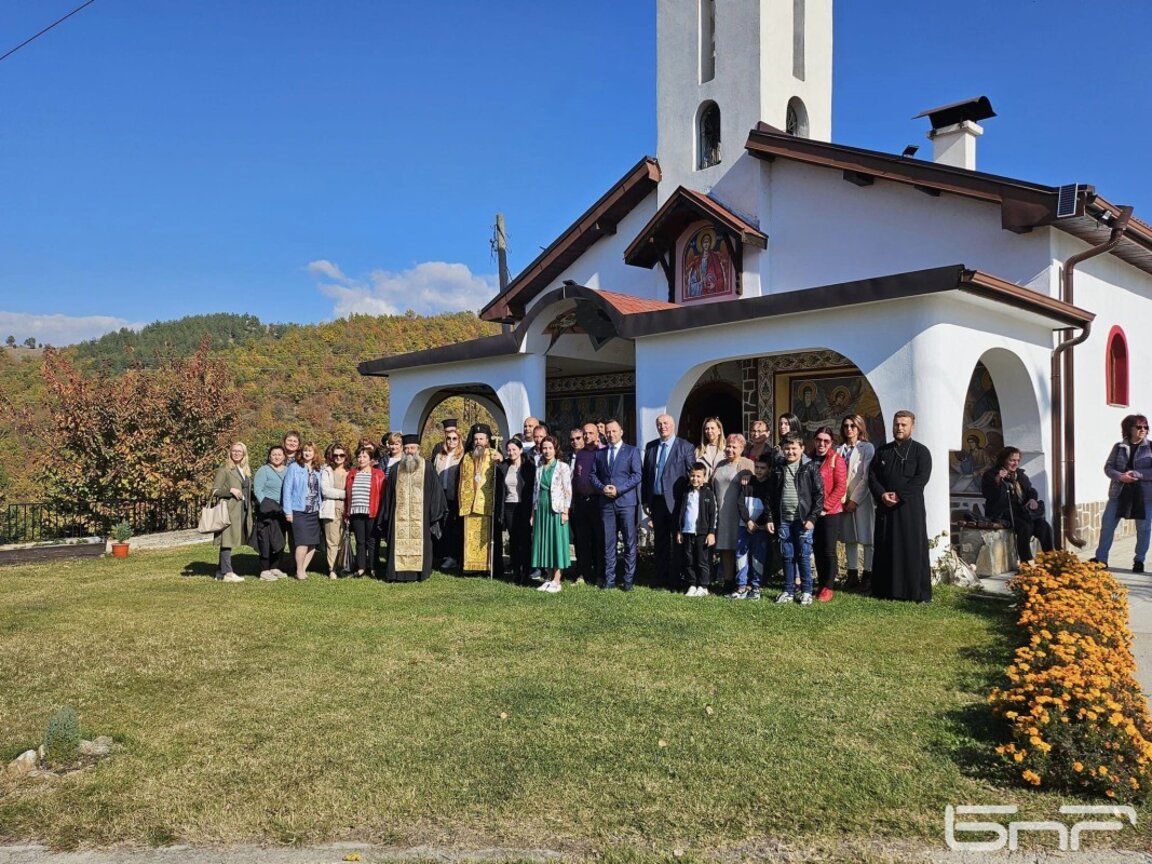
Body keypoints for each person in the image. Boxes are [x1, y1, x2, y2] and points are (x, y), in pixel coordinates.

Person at [869, 410, 932, 603]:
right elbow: (872, 477)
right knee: (885, 546)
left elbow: (921, 478)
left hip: (909, 510)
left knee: (911, 548)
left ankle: (914, 592)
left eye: (904, 424)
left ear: (912, 426)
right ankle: (884, 590)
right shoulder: (882, 451)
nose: (899, 428)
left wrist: (899, 495)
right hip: (886, 508)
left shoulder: (921, 452)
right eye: (897, 424)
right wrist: (882, 494)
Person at [379, 434, 448, 582]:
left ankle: (419, 573)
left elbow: (436, 492)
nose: (409, 451)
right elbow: (389, 495)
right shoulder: (396, 468)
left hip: (421, 518)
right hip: (399, 518)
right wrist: (386, 515)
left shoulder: (427, 467)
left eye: (412, 448)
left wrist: (433, 514)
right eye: (406, 448)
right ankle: (396, 574)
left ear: (418, 449)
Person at [642, 413, 697, 589]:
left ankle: (676, 581)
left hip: (677, 502)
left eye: (665, 423)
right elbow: (646, 476)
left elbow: (691, 474)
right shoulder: (651, 447)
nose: (662, 427)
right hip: (657, 502)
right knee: (660, 542)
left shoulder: (685, 447)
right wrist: (645, 500)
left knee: (678, 542)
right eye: (659, 424)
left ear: (673, 425)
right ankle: (660, 579)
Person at [1091, 413, 1152, 571]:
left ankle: (1139, 560)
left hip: (1144, 495)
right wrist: (1120, 476)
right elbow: (1108, 467)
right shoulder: (1119, 447)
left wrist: (1138, 474)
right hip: (1118, 493)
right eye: (1139, 427)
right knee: (1107, 525)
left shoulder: (1150, 447)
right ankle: (1101, 559)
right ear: (1129, 428)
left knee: (1144, 528)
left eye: (1145, 427)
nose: (1143, 430)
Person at [769, 432, 824, 605]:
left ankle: (806, 591)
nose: (790, 452)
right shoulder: (778, 468)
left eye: (794, 448)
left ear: (802, 448)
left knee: (803, 555)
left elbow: (819, 494)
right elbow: (770, 496)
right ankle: (788, 590)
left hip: (803, 519)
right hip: (784, 519)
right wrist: (770, 518)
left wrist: (812, 518)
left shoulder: (810, 467)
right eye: (787, 448)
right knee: (787, 555)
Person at [590, 419, 642, 591]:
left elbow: (637, 475)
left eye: (614, 431)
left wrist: (619, 489)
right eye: (608, 432)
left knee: (629, 542)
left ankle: (628, 580)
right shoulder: (600, 453)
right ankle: (610, 579)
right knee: (608, 542)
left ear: (621, 432)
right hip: (606, 504)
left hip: (626, 503)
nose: (611, 434)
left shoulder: (632, 451)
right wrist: (602, 488)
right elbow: (593, 475)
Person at [981, 447, 1054, 567]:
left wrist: (1032, 499)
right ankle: (1026, 562)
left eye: (1017, 460)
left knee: (1043, 525)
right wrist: (998, 480)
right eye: (1012, 460)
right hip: (1002, 512)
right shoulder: (991, 475)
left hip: (1021, 511)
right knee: (1025, 527)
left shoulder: (1019, 475)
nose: (1015, 463)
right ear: (1003, 460)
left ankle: (1050, 559)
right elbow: (990, 495)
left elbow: (1030, 490)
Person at [711, 433, 755, 593]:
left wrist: (749, 477)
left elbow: (753, 486)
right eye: (728, 446)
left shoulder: (747, 463)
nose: (730, 449)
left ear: (742, 448)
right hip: (722, 512)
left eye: (734, 447)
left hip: (738, 513)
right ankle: (728, 581)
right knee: (726, 547)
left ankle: (743, 581)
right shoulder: (720, 463)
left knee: (741, 547)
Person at [837, 414, 876, 593]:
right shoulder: (839, 450)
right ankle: (852, 574)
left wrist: (855, 499)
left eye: (853, 426)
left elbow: (866, 476)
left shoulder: (866, 448)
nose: (849, 429)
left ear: (860, 428)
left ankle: (867, 574)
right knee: (849, 537)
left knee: (866, 537)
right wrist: (841, 498)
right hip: (843, 499)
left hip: (862, 498)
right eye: (846, 426)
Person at [810, 426, 848, 602]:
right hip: (812, 511)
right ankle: (821, 583)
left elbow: (840, 487)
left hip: (830, 512)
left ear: (831, 442)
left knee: (828, 549)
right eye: (819, 440)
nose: (822, 444)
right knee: (817, 548)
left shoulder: (836, 460)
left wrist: (825, 507)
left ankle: (828, 586)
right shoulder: (809, 457)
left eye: (826, 441)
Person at [533, 435, 573, 593]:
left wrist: (565, 511)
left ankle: (557, 580)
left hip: (556, 509)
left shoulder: (563, 467)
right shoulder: (539, 468)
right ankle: (548, 577)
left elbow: (568, 490)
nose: (547, 451)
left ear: (555, 449)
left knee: (556, 542)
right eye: (544, 448)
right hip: (541, 507)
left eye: (550, 448)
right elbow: (535, 491)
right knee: (545, 542)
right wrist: (533, 513)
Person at [459, 423, 499, 574]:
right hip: (470, 504)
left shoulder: (494, 455)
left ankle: (487, 567)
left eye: (481, 439)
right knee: (469, 537)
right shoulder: (467, 457)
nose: (478, 442)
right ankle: (470, 567)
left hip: (487, 504)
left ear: (487, 440)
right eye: (476, 439)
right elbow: (461, 480)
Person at [731, 452, 772, 599]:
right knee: (741, 555)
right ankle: (741, 586)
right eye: (757, 467)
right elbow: (740, 503)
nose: (759, 470)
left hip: (760, 528)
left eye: (763, 468)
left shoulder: (770, 485)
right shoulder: (747, 483)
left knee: (758, 557)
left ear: (769, 469)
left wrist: (757, 523)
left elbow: (768, 507)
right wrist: (748, 520)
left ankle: (756, 587)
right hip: (744, 525)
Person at [211, 442, 253, 582]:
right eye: (234, 451)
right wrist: (230, 491)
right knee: (226, 540)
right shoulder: (224, 470)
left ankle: (220, 571)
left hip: (241, 510)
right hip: (228, 510)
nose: (236, 453)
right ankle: (228, 573)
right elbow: (215, 491)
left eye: (239, 451)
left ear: (244, 454)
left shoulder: (244, 470)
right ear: (230, 453)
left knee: (229, 539)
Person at [282, 441, 325, 581]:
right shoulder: (294, 467)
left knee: (313, 543)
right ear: (301, 452)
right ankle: (299, 570)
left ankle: (302, 569)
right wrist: (288, 511)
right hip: (299, 510)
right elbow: (287, 490)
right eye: (305, 450)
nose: (307, 453)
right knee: (302, 542)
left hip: (314, 510)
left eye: (310, 451)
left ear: (315, 453)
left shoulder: (318, 469)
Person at [495, 437, 536, 584]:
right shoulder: (504, 466)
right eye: (509, 450)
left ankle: (526, 571)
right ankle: (516, 570)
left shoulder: (529, 466)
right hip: (509, 506)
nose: (511, 452)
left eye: (514, 449)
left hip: (524, 506)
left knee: (524, 539)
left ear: (520, 450)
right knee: (513, 539)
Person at [343, 444, 386, 578]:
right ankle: (361, 567)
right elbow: (347, 494)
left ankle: (373, 567)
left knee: (372, 540)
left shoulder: (378, 474)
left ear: (370, 459)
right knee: (360, 541)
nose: (361, 459)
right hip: (356, 511)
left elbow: (382, 494)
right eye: (359, 457)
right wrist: (346, 512)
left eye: (364, 456)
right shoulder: (352, 474)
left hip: (372, 511)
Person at [676, 462, 718, 596]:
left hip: (702, 533)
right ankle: (692, 584)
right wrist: (679, 530)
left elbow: (713, 514)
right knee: (689, 560)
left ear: (704, 477)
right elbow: (681, 512)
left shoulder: (708, 494)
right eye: (693, 476)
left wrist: (711, 532)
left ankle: (703, 586)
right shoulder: (686, 493)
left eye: (698, 476)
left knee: (702, 560)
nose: (695, 479)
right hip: (687, 532)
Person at [570, 423, 603, 585]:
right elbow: (577, 477)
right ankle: (583, 573)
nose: (587, 436)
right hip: (581, 502)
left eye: (591, 433)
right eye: (585, 433)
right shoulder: (580, 454)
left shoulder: (602, 452)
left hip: (597, 502)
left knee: (598, 539)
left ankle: (599, 574)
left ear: (597, 435)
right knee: (582, 539)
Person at [252, 445, 288, 581]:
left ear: (284, 457)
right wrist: (267, 505)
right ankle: (265, 570)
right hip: (267, 512)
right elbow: (258, 490)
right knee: (266, 540)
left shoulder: (288, 471)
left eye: (279, 454)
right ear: (269, 456)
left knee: (279, 539)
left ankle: (275, 567)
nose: (277, 457)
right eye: (274, 454)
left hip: (282, 511)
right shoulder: (264, 470)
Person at [433, 426, 464, 570]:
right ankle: (444, 554)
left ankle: (454, 556)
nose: (451, 441)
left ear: (459, 440)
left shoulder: (462, 456)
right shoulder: (439, 456)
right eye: (449, 438)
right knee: (442, 524)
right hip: (441, 495)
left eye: (455, 439)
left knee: (453, 526)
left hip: (454, 496)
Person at [319, 442, 349, 578]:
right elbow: (325, 491)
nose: (338, 457)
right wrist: (345, 494)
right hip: (331, 509)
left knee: (343, 540)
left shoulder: (350, 472)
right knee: (332, 540)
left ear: (346, 456)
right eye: (335, 455)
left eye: (341, 455)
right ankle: (332, 568)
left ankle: (342, 566)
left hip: (346, 509)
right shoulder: (326, 471)